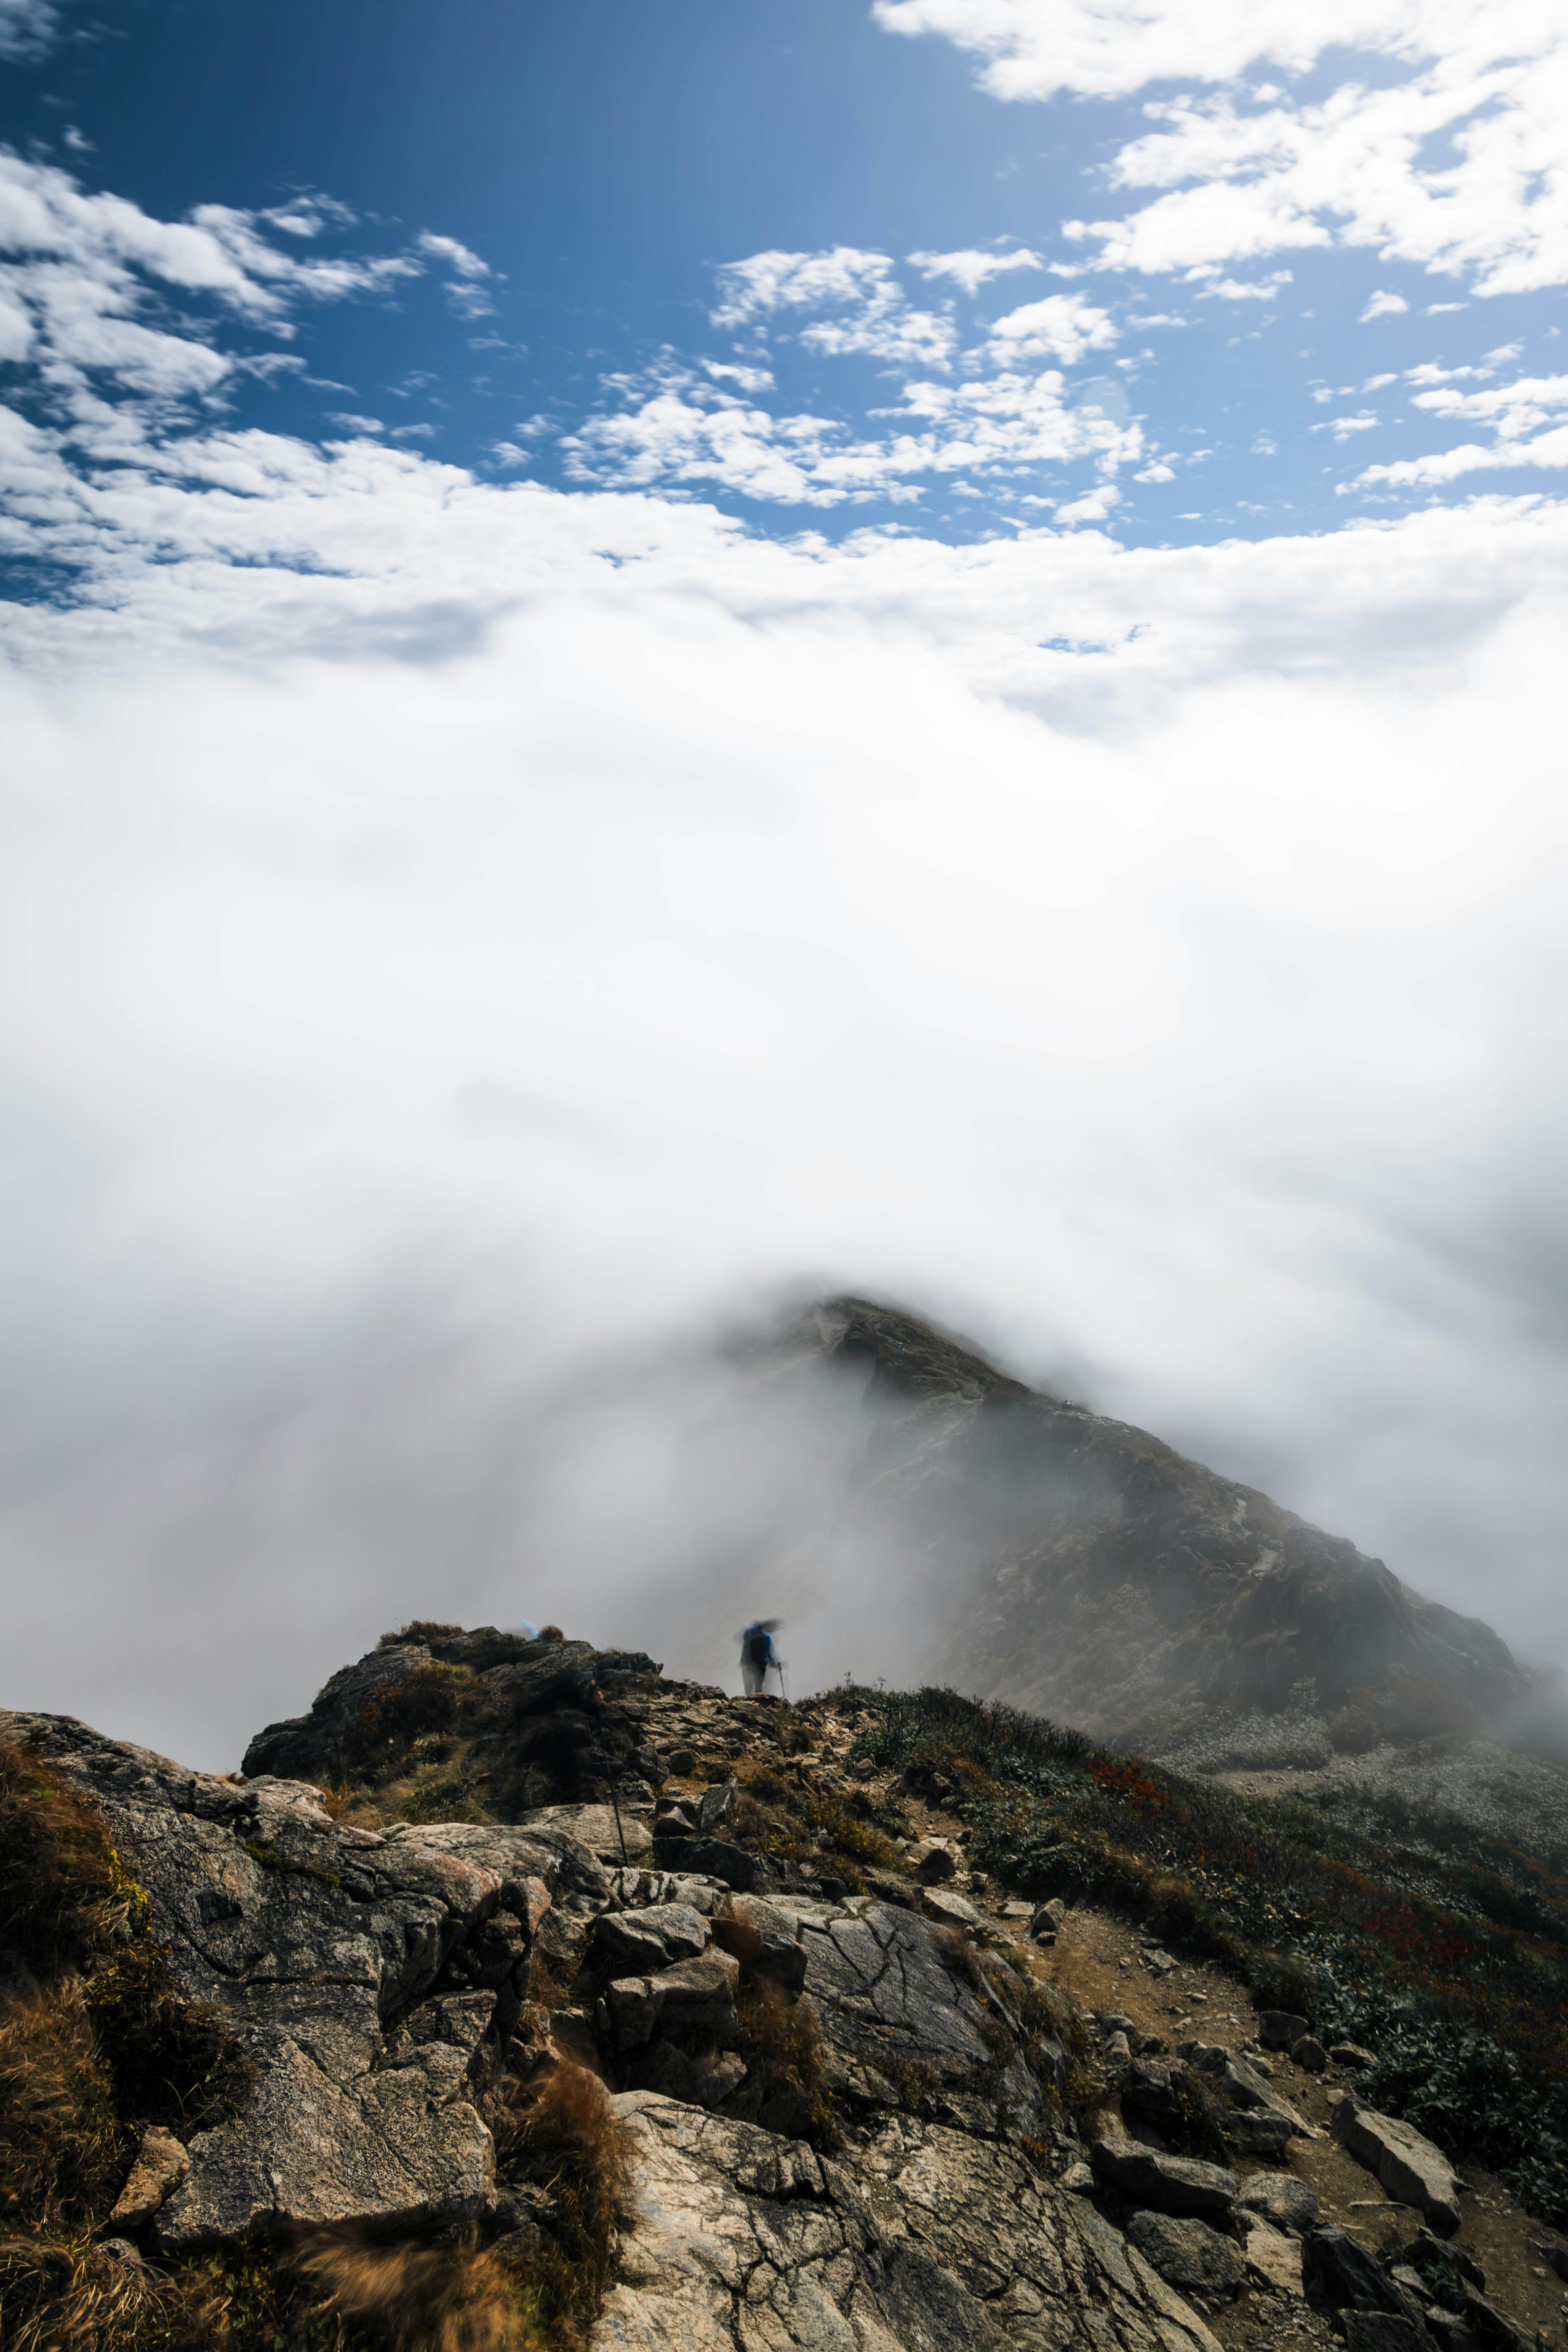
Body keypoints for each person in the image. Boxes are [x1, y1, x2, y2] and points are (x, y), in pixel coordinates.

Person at [738, 1619, 782, 1696]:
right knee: (758, 1690)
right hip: (759, 1667)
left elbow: (741, 1639)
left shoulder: (748, 1633)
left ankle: (746, 1703)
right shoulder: (766, 1637)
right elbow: (770, 1655)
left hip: (745, 1664)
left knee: (748, 1689)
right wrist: (777, 1665)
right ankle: (756, 1705)